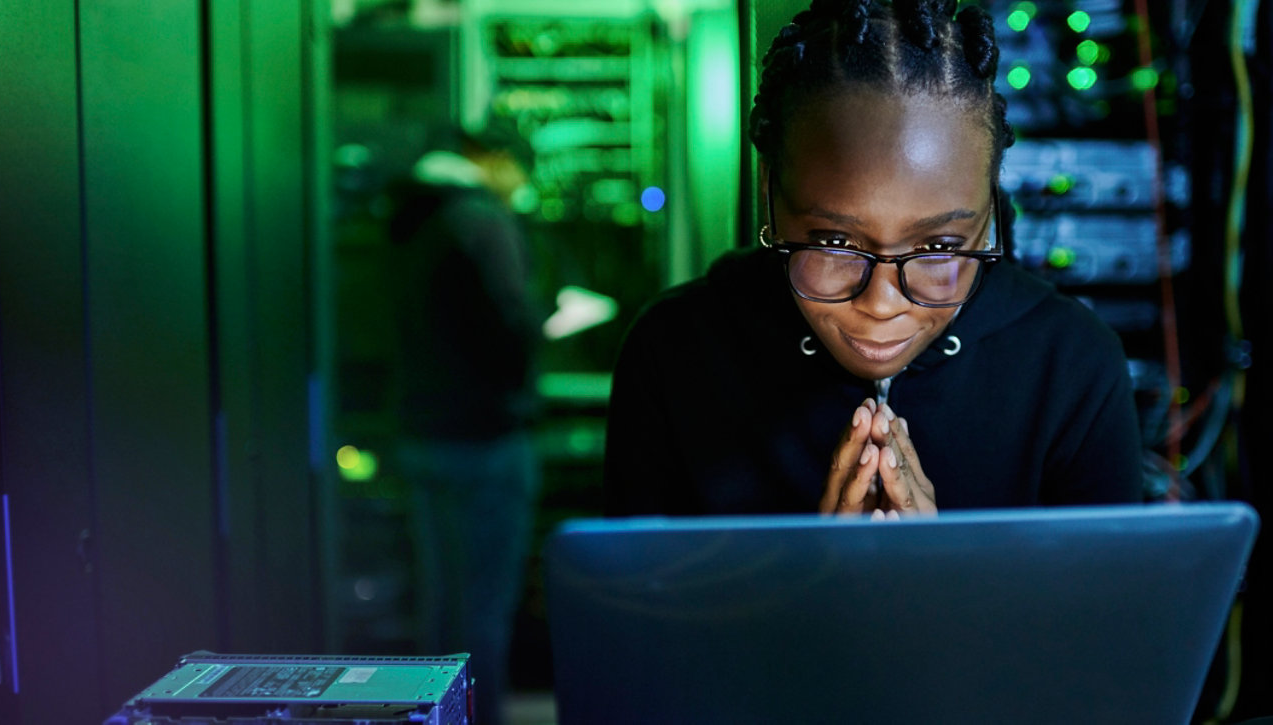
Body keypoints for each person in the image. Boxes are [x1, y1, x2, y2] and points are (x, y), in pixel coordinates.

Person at [604, 0, 1143, 517]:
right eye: (835, 243)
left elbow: (1108, 611)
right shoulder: (674, 353)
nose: (882, 304)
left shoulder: (1071, 366)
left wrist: (927, 586)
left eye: (938, 248)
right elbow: (637, 605)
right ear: (770, 190)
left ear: (988, 207)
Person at [385, 121, 542, 725]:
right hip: (485, 439)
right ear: (495, 161)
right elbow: (512, 327)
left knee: (439, 603)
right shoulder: (481, 219)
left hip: (421, 433)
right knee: (483, 609)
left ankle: (434, 716)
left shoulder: (413, 216)